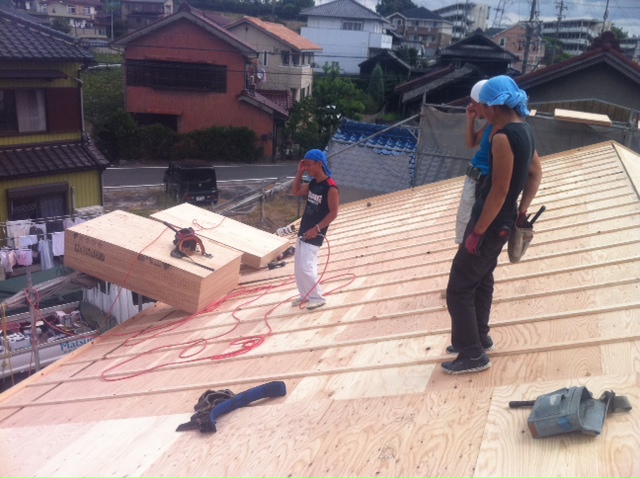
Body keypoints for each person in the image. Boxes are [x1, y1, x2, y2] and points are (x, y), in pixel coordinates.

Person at [442, 75, 543, 374]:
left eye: (483, 106)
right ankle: (479, 337)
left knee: (458, 288)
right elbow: (535, 174)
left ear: (495, 106)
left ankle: (472, 354)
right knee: (483, 279)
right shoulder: (525, 130)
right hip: (504, 221)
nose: (480, 111)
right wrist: (521, 211)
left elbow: (498, 191)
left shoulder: (501, 137)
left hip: (491, 222)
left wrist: (477, 232)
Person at [291, 149, 340, 310]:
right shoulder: (313, 183)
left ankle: (317, 297)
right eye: (304, 165)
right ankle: (305, 295)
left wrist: (316, 229)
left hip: (315, 233)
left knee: (307, 267)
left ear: (319, 164)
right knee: (299, 268)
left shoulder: (331, 187)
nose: (307, 168)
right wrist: (299, 173)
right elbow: (296, 191)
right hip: (304, 230)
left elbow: (333, 213)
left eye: (309, 165)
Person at [454, 79, 492, 245]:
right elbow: (472, 142)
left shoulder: (502, 128)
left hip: (481, 182)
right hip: (474, 179)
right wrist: (471, 120)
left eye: (475, 104)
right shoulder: (491, 123)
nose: (472, 108)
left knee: (467, 230)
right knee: (464, 227)